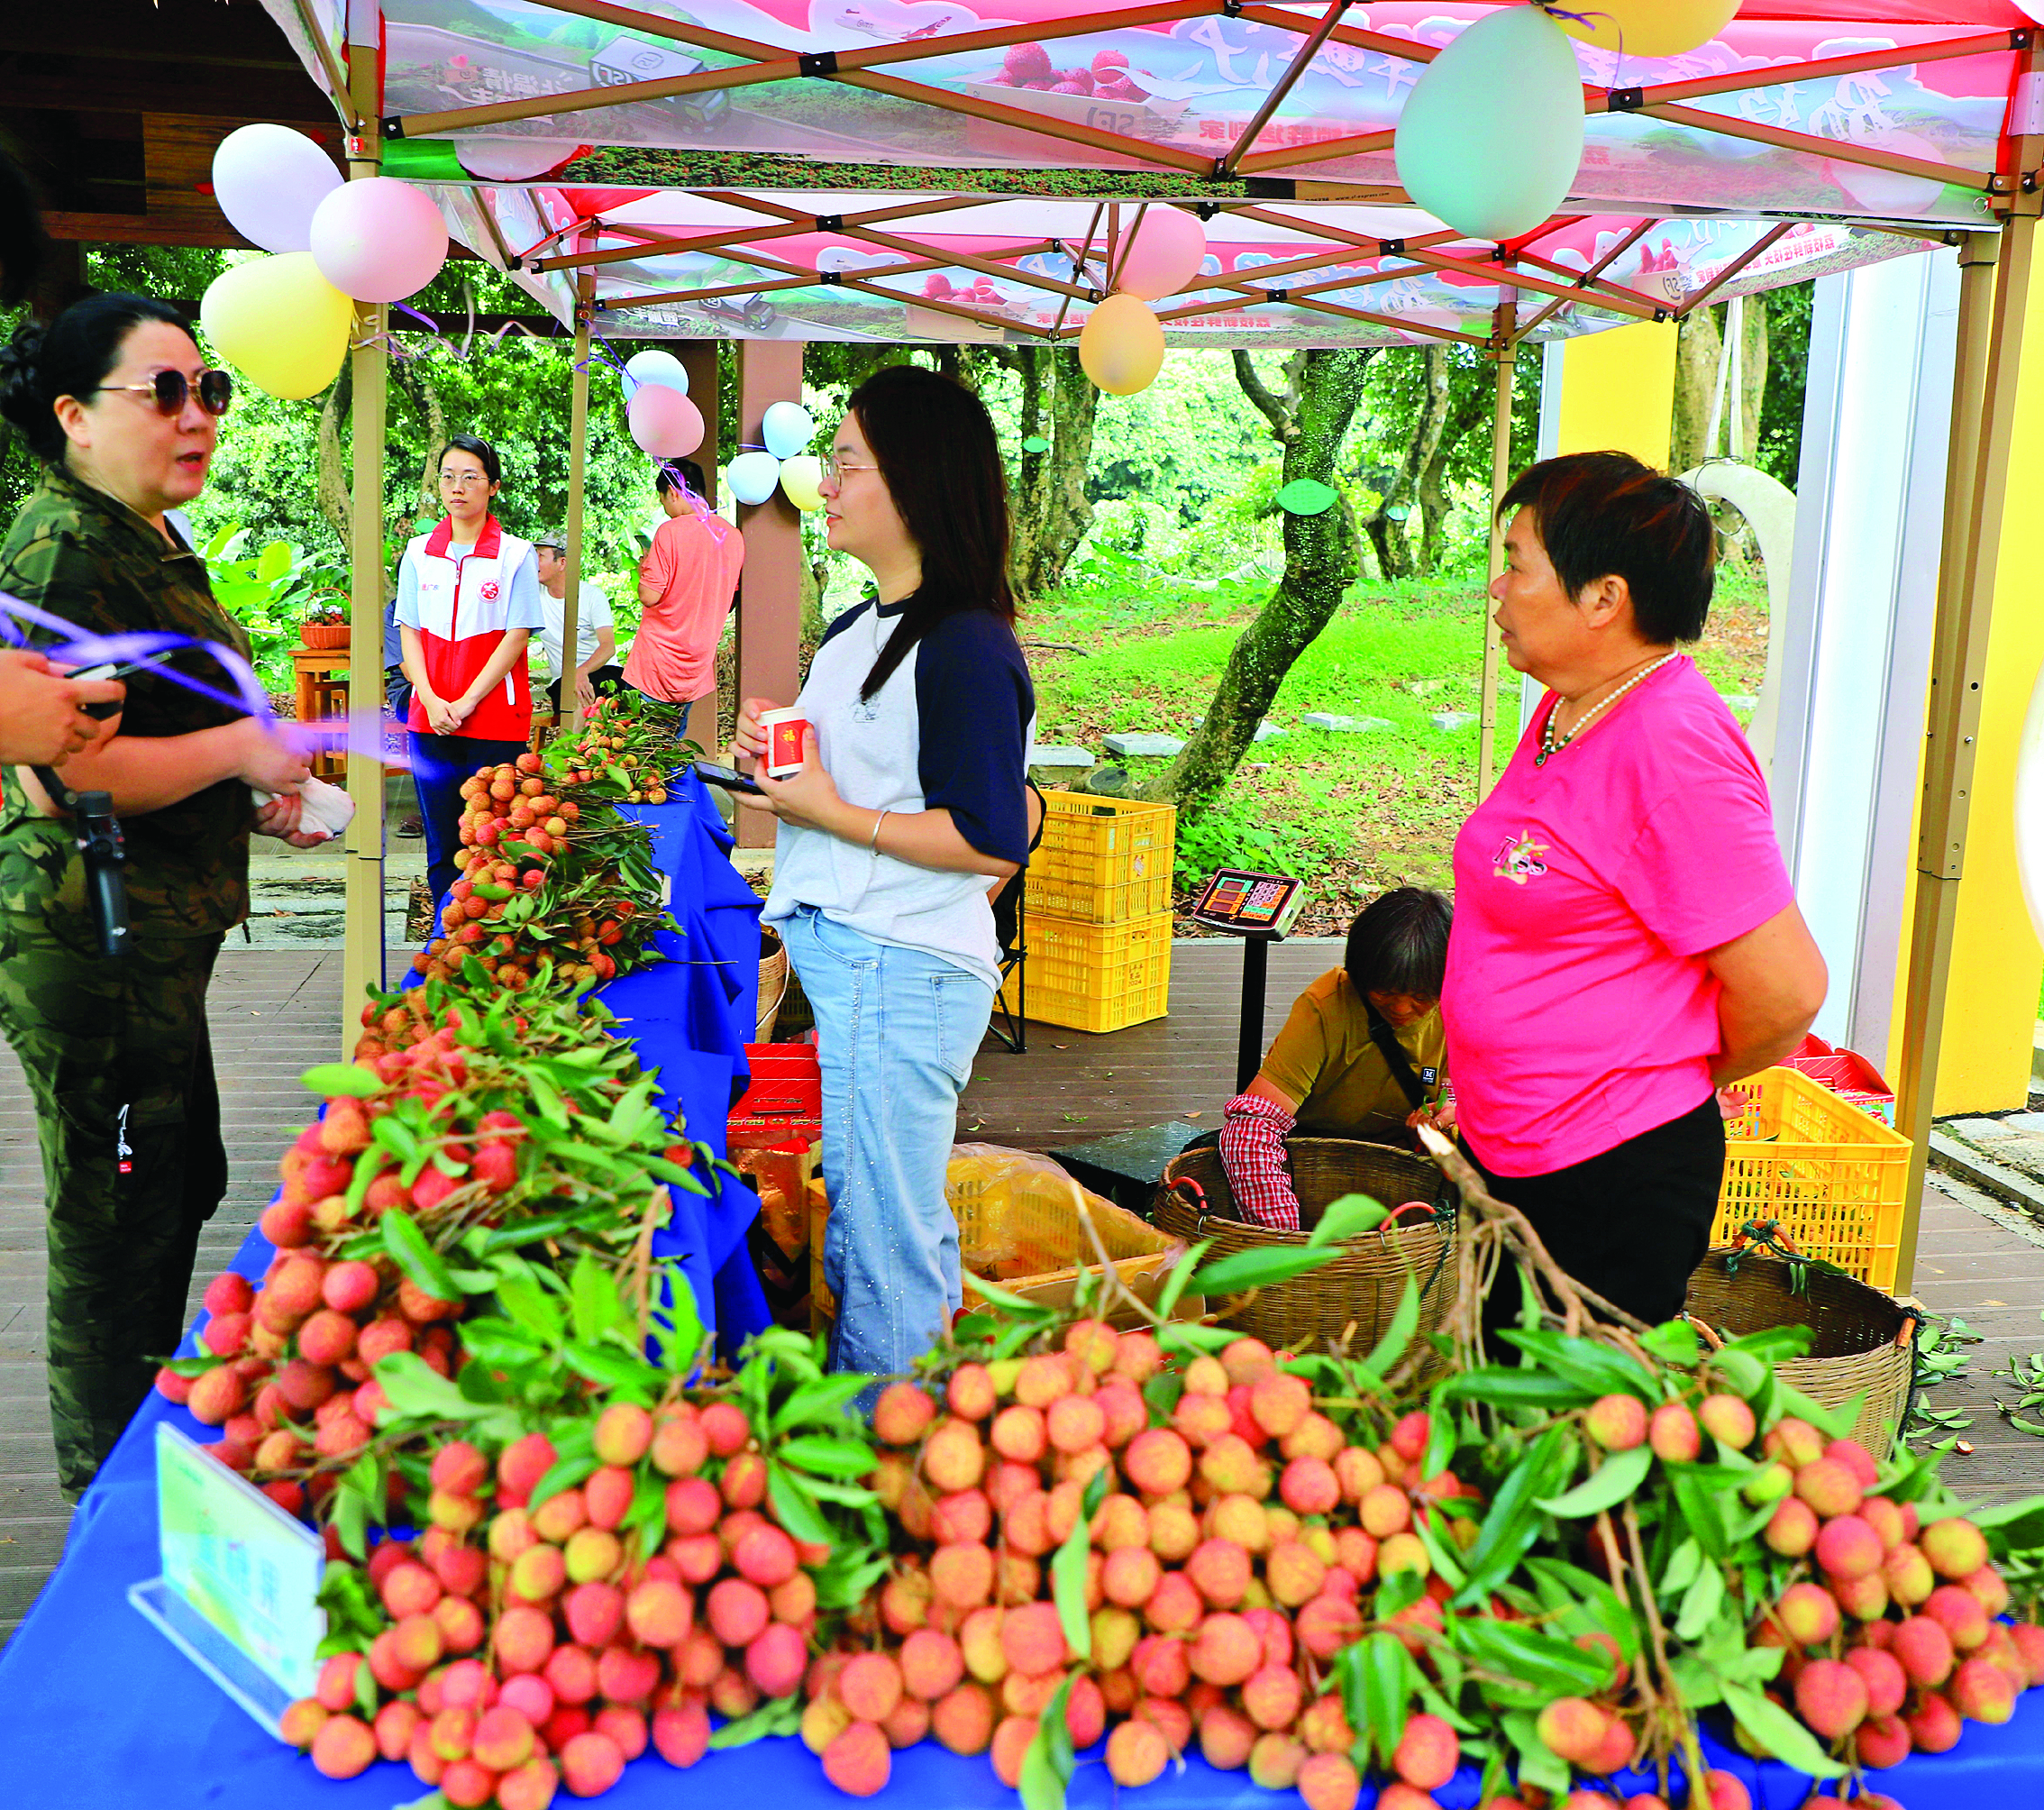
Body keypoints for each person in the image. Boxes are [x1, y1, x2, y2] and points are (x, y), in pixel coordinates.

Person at [0, 292, 321, 1495]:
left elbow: (150, 732)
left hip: (154, 931)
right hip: (92, 937)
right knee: (117, 1224)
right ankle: (107, 1495)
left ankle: (138, 1445)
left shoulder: (137, 532)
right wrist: (236, 754)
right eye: (166, 392)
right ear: (75, 415)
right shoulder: (64, 547)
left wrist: (243, 788)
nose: (199, 416)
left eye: (210, 390)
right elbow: (57, 780)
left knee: (179, 1183)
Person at [1445, 451, 1827, 1333]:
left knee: (1573, 1409)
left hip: (1609, 1173)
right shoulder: (1574, 706)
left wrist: (1658, 1074)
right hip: (1518, 1152)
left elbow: (1788, 992)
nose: (1498, 589)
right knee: (1499, 1397)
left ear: (1603, 599)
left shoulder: (1672, 747)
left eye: (1517, 564)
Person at [735, 366, 1035, 1379]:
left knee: (883, 1237)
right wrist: (772, 754)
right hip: (858, 959)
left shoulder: (966, 646)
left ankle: (891, 1443)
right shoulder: (857, 630)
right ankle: (918, 1416)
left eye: (846, 463)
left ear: (914, 482)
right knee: (882, 1220)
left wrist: (831, 812)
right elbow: (844, 777)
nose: (824, 483)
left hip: (901, 969)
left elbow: (992, 838)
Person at [1218, 887, 1455, 1230]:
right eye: (1385, 992)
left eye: (1421, 996)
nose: (1402, 1009)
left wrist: (1451, 1118)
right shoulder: (1326, 1004)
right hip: (1310, 1155)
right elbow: (1251, 1128)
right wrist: (1288, 1239)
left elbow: (1469, 1102)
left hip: (1401, 1163)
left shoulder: (1463, 1008)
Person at [394, 434, 543, 907]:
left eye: (470, 477)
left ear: (493, 486)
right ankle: (445, 934)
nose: (456, 487)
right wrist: (431, 698)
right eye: (448, 477)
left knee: (495, 838)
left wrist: (467, 701)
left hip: (495, 720)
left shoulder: (516, 554)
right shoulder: (418, 553)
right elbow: (409, 631)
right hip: (430, 719)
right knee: (442, 842)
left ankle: (494, 934)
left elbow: (517, 636)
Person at [626, 459, 744, 752]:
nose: (666, 508)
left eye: (663, 500)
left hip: (657, 661)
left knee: (638, 754)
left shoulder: (670, 531)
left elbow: (649, 595)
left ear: (673, 492)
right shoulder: (733, 537)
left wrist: (645, 569)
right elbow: (729, 598)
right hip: (696, 664)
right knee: (670, 750)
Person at [532, 529, 622, 715]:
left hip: (604, 672)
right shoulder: (533, 596)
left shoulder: (592, 596)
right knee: (571, 691)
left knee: (582, 693)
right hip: (563, 681)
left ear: (562, 563)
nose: (534, 561)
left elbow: (608, 646)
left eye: (540, 556)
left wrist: (582, 671)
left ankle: (579, 736)